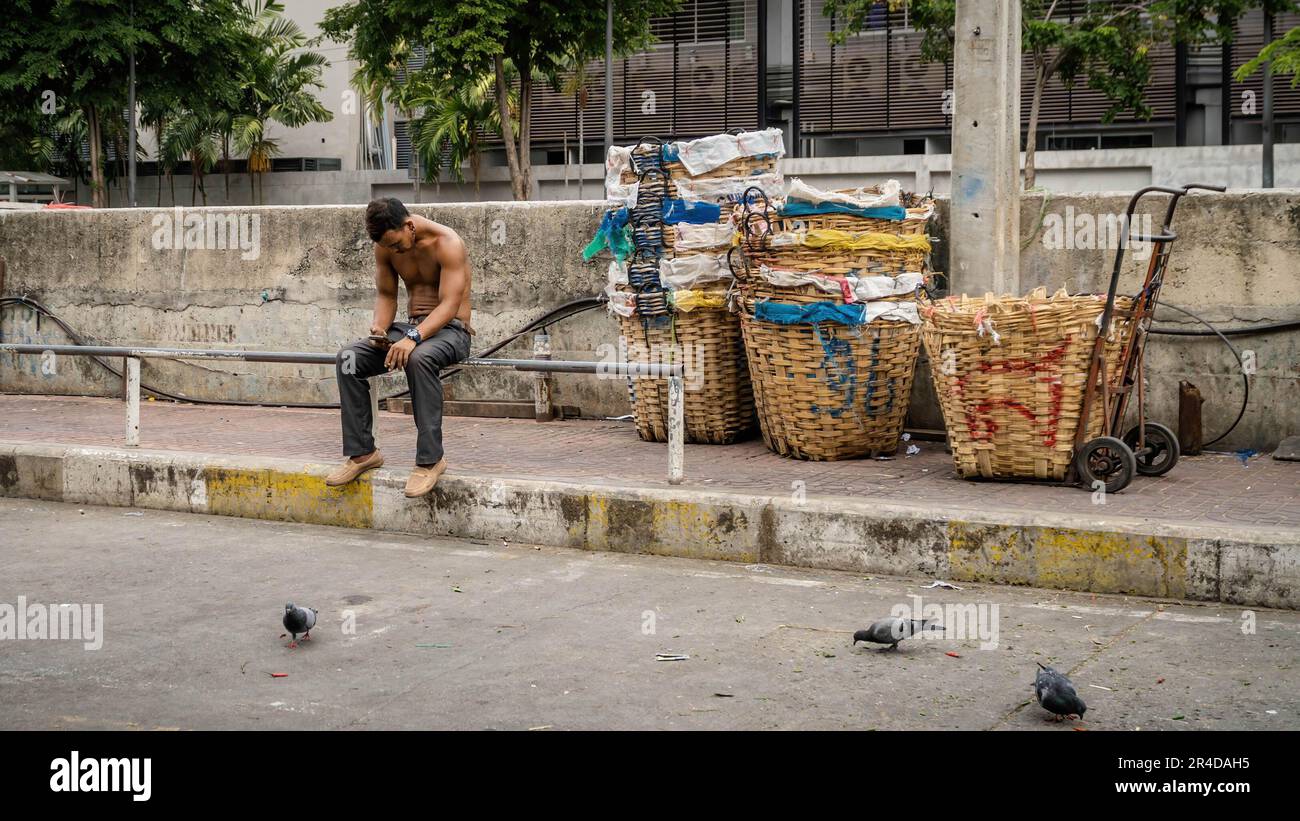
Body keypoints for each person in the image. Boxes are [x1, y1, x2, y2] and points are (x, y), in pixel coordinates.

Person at [327, 197, 473, 497]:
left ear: (409, 226)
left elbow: (449, 306)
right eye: (388, 247)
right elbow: (386, 295)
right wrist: (380, 329)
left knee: (419, 359)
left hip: (452, 330)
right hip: (410, 330)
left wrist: (413, 338)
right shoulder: (385, 245)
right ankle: (363, 453)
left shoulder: (448, 243)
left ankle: (430, 461)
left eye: (396, 244)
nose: (394, 251)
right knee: (349, 359)